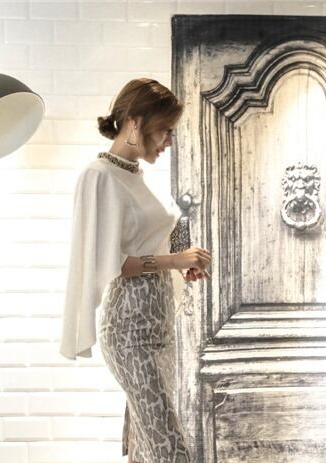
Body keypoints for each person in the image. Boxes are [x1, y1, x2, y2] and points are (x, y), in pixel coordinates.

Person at [60, 77, 212, 463]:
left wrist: (183, 258)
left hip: (160, 330)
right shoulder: (99, 176)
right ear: (134, 122)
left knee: (146, 450)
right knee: (170, 449)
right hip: (129, 334)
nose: (168, 141)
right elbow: (113, 264)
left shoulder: (138, 176)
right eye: (165, 130)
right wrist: (177, 260)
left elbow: (167, 225)